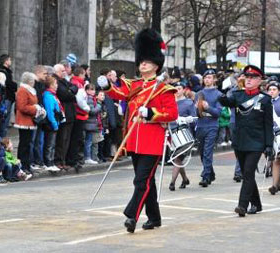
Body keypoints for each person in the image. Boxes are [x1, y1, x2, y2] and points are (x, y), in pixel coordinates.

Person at [98, 28, 178, 233]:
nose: (143, 64)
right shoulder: (134, 85)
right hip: (134, 140)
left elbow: (171, 114)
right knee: (146, 181)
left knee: (140, 181)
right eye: (141, 61)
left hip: (152, 142)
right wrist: (106, 85)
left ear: (156, 65)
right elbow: (117, 92)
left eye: (147, 61)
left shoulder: (163, 89)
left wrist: (151, 113)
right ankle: (155, 217)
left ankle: (132, 215)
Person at [219, 65, 274, 217]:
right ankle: (256, 203)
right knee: (246, 174)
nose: (249, 80)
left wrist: (269, 144)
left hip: (256, 142)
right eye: (247, 77)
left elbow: (268, 124)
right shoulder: (238, 95)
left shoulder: (265, 99)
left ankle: (242, 206)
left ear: (259, 80)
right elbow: (225, 102)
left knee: (248, 172)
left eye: (252, 78)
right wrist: (223, 90)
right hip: (240, 140)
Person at [14, 72, 45, 175]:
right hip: (23, 121)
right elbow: (21, 107)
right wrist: (35, 108)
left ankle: (27, 165)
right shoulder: (22, 90)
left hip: (30, 120)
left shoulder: (30, 90)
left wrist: (38, 108)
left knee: (28, 144)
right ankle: (22, 166)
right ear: (29, 81)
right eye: (33, 81)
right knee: (24, 144)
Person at [195, 69, 222, 187]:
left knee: (207, 152)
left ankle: (205, 176)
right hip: (201, 125)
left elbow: (218, 112)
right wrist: (197, 109)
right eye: (206, 78)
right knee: (201, 152)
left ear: (214, 79)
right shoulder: (199, 94)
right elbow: (195, 113)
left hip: (212, 125)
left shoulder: (219, 94)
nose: (207, 80)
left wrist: (208, 107)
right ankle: (210, 172)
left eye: (210, 77)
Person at [168, 81, 196, 191]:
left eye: (179, 88)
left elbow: (194, 119)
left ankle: (172, 182)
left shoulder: (188, 103)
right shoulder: (170, 102)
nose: (177, 91)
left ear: (184, 90)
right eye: (175, 89)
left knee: (177, 158)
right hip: (171, 133)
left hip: (184, 134)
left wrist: (187, 120)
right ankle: (185, 179)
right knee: (177, 158)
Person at [53, 64, 77, 170]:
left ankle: (63, 160)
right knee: (62, 140)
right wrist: (71, 92)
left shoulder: (65, 81)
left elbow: (75, 87)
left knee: (67, 140)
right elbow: (64, 95)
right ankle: (59, 160)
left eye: (64, 70)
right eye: (62, 71)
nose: (64, 72)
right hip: (64, 114)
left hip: (70, 114)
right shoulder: (56, 81)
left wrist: (71, 91)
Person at [66, 67, 90, 172]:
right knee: (76, 139)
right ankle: (73, 160)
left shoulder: (76, 82)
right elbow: (80, 100)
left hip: (78, 114)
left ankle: (73, 159)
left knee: (76, 139)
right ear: (81, 74)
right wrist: (87, 108)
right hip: (79, 115)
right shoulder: (78, 84)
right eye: (84, 74)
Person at [43, 76, 65, 172]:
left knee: (53, 143)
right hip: (52, 123)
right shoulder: (48, 96)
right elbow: (50, 112)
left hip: (56, 122)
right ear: (51, 85)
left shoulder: (53, 95)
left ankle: (51, 162)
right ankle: (49, 162)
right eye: (55, 84)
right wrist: (54, 124)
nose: (57, 86)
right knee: (50, 144)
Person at [0, 54, 18, 137]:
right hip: (6, 98)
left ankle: (3, 138)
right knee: (3, 120)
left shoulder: (7, 71)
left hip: (9, 98)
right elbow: (7, 84)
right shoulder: (2, 71)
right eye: (10, 60)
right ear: (6, 61)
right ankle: (1, 139)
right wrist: (15, 85)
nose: (11, 61)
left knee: (6, 120)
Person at [32, 65, 48, 170]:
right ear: (38, 73)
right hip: (34, 116)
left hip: (41, 116)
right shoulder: (33, 85)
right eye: (44, 73)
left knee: (39, 141)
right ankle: (32, 161)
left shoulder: (41, 85)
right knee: (33, 140)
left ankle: (38, 160)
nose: (46, 76)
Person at [84, 84, 101, 164]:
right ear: (87, 90)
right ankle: (87, 157)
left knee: (89, 141)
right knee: (89, 141)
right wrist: (98, 105)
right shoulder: (90, 99)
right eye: (91, 89)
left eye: (93, 89)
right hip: (89, 123)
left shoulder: (91, 98)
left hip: (90, 123)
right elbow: (92, 111)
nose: (93, 91)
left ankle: (88, 157)